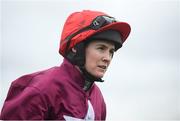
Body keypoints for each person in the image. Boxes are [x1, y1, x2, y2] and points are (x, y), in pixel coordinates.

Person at [0, 10, 131, 120]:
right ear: (75, 47)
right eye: (101, 48)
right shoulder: (41, 89)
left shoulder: (98, 98)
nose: (107, 58)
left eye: (111, 52)